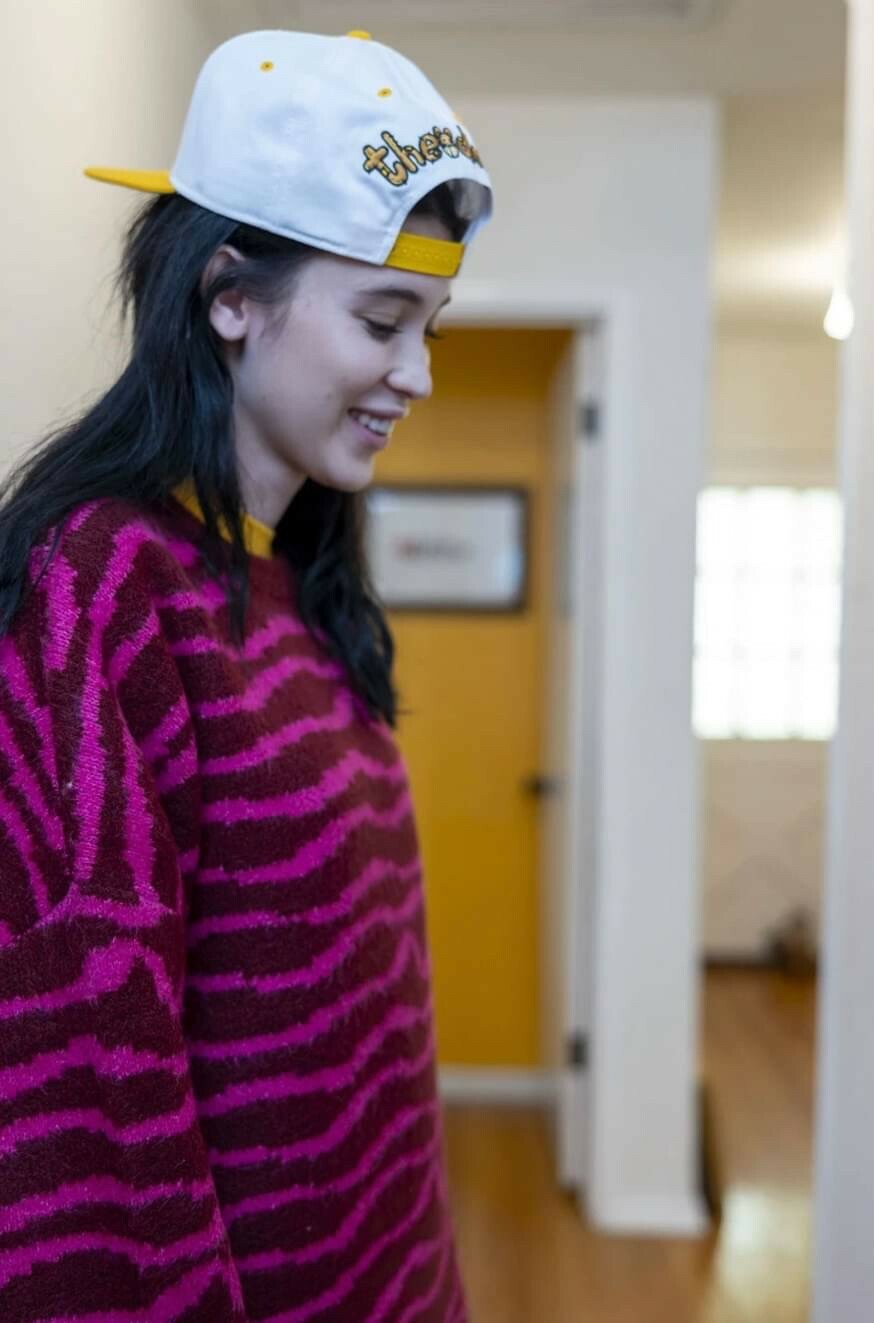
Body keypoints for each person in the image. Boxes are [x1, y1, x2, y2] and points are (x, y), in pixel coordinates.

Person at [0, 28, 492, 1322]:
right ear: (230, 295)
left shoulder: (302, 578)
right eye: (382, 321)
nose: (417, 375)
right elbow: (89, 1075)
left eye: (429, 326)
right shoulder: (104, 584)